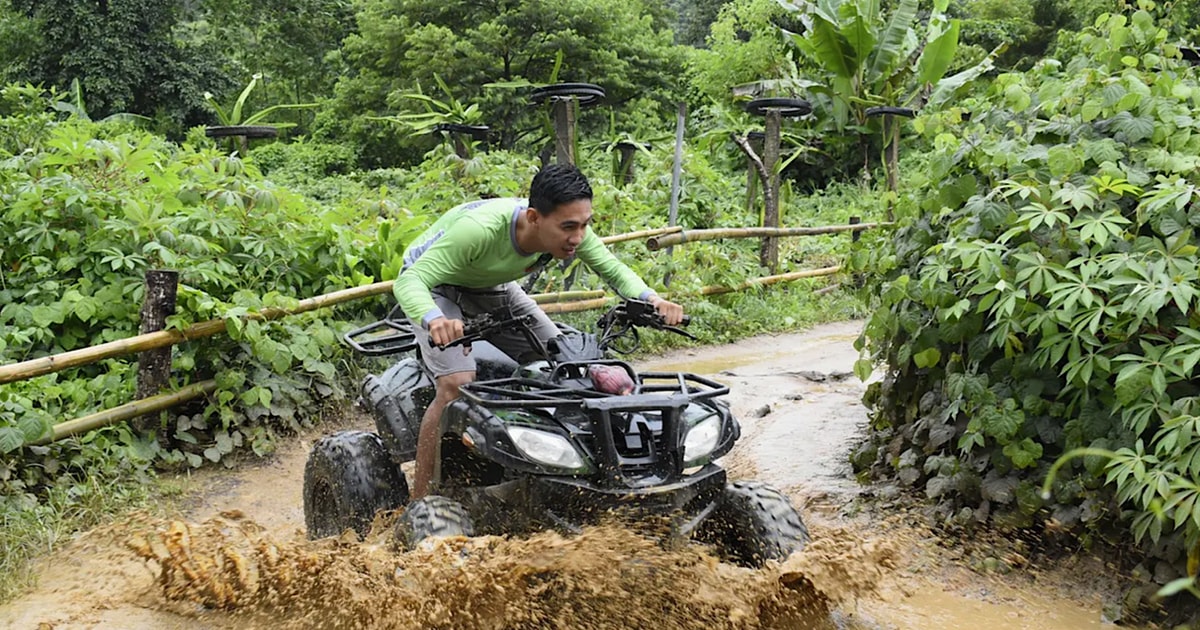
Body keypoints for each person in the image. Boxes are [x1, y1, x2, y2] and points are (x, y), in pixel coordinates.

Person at [392, 164, 684, 499]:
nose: (577, 237)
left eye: (585, 224)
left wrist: (653, 299)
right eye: (568, 227)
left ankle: (560, 473)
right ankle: (422, 497)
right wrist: (433, 318)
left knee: (567, 365)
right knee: (456, 385)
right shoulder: (479, 231)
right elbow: (411, 280)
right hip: (436, 288)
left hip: (493, 285)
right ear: (534, 218)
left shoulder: (572, 235)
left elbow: (613, 270)